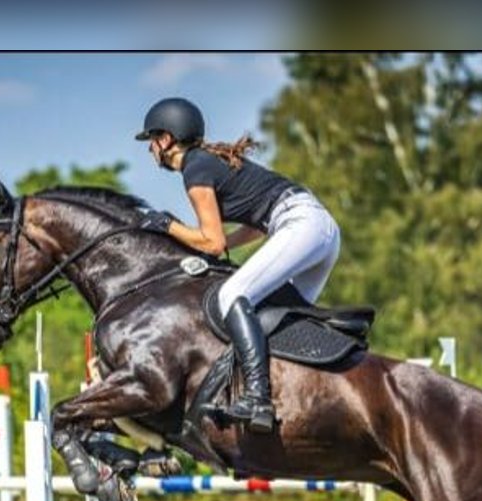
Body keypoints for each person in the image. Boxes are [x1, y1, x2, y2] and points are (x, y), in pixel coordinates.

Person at [135, 96, 341, 434]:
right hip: (319, 230)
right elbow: (251, 229)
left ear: (167, 138)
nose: (151, 150)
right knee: (282, 315)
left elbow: (211, 242)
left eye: (152, 140)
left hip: (301, 224)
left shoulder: (194, 167)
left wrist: (168, 225)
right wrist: (219, 245)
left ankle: (258, 397)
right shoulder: (206, 162)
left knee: (229, 296)